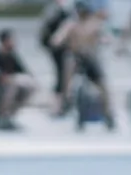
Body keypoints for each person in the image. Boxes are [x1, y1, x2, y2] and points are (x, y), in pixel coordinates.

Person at [51, 0, 116, 129]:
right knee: (68, 69)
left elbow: (106, 37)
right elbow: (57, 38)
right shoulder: (71, 24)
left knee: (102, 86)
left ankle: (108, 114)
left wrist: (104, 40)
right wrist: (59, 42)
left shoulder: (95, 24)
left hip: (90, 58)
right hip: (75, 57)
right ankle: (66, 99)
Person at [0, 28, 37, 131]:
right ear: (5, 41)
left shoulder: (12, 57)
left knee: (27, 88)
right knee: (12, 87)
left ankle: (10, 115)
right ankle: (3, 116)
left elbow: (24, 72)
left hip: (8, 89)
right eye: (12, 40)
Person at [40, 0, 71, 116]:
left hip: (64, 48)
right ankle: (57, 106)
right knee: (61, 76)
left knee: (65, 76)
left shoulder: (61, 9)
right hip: (57, 48)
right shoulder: (55, 10)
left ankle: (62, 104)